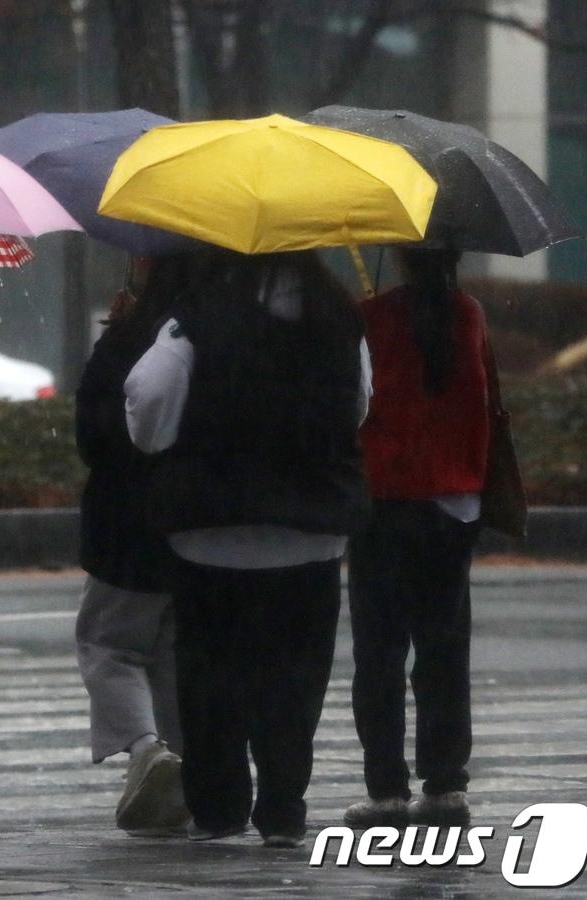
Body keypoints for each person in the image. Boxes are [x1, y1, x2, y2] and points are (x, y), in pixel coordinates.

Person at [124, 248, 372, 849]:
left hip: (211, 532)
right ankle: (283, 807)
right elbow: (359, 406)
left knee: (211, 679)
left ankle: (218, 805)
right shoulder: (340, 318)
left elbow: (148, 408)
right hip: (309, 535)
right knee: (295, 680)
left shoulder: (195, 318)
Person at [344, 248, 488, 829]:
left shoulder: (371, 317)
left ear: (399, 254)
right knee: (444, 649)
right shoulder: (469, 313)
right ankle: (446, 783)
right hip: (454, 502)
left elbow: (357, 403)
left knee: (379, 651)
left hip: (385, 499)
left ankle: (386, 791)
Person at [73, 257, 186, 833]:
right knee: (168, 650)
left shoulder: (129, 341)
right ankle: (180, 769)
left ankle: (147, 751)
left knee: (108, 645)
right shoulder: (207, 331)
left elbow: (92, 435)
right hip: (187, 522)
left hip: (124, 523)